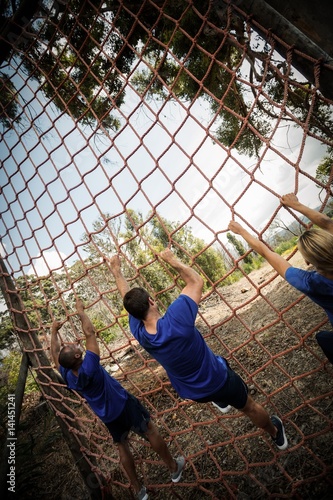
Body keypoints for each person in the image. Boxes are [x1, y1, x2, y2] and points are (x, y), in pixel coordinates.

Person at [108, 251, 288, 452]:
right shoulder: (177, 317)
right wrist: (171, 260)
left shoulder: (139, 333)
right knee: (249, 407)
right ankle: (274, 432)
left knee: (218, 375)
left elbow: (127, 298)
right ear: (151, 301)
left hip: (194, 393)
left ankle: (219, 400)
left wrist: (117, 272)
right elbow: (195, 281)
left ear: (133, 315)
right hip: (220, 380)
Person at [50, 299, 185, 500]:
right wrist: (80, 311)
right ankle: (174, 467)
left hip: (108, 416)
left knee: (122, 446)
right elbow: (89, 333)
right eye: (74, 346)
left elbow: (55, 357)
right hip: (123, 404)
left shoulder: (69, 376)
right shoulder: (90, 366)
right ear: (78, 355)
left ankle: (139, 490)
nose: (75, 343)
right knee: (149, 430)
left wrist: (53, 332)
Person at [228, 192, 333, 364]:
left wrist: (241, 231)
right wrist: (297, 205)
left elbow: (266, 252)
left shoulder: (311, 283)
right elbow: (327, 223)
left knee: (323, 337)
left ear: (307, 261)